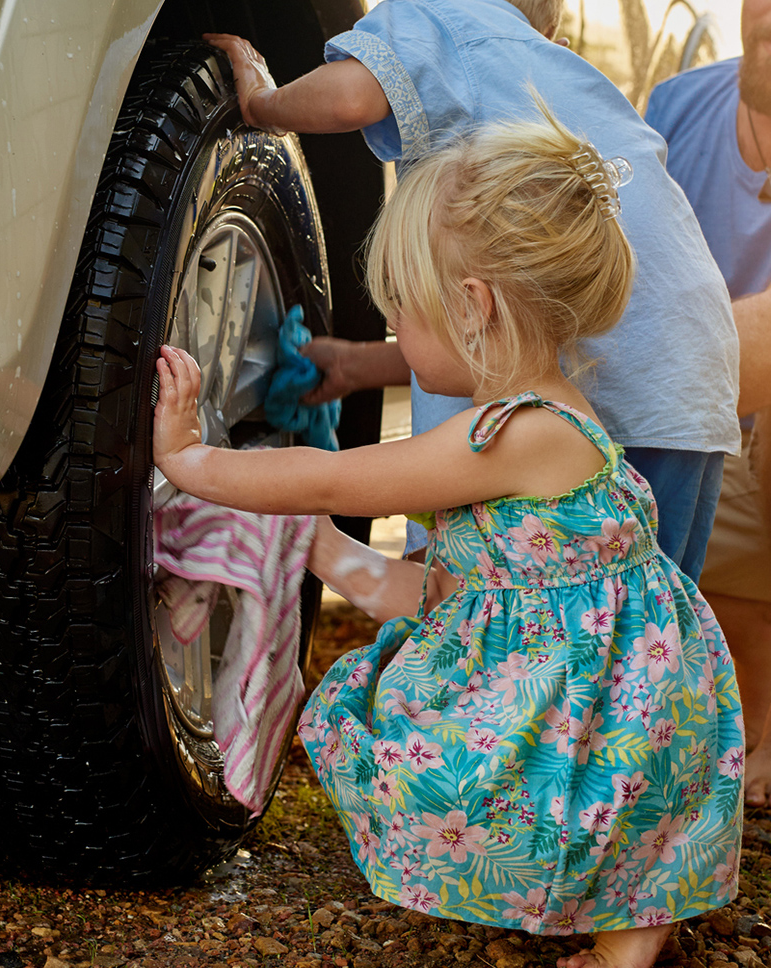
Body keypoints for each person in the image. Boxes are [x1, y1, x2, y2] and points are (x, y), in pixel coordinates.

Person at [153, 107, 743, 968]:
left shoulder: (518, 433)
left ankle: (638, 917)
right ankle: (619, 896)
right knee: (551, 789)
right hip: (584, 664)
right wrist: (317, 552)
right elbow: (454, 593)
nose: (396, 335)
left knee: (548, 795)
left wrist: (189, 459)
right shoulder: (533, 422)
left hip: (615, 695)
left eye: (402, 314)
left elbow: (335, 481)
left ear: (473, 307)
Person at [204, 0, 740, 585]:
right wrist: (359, 366)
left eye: (400, 302)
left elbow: (350, 98)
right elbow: (509, 332)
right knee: (635, 605)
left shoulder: (440, 15)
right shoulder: (559, 71)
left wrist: (262, 103)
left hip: (631, 372)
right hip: (690, 378)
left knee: (456, 577)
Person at [644, 0, 771, 807]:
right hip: (714, 406)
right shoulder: (677, 107)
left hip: (731, 382)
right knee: (681, 467)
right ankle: (758, 716)